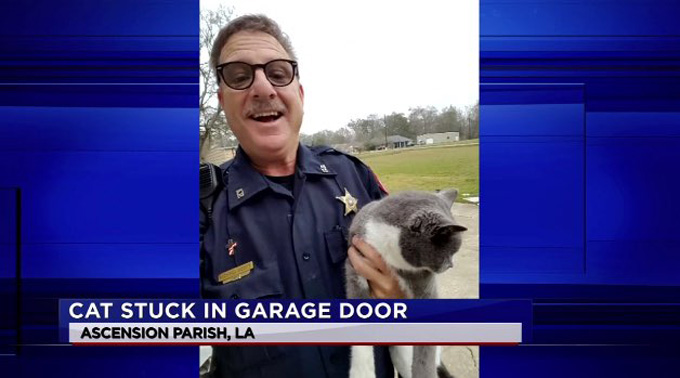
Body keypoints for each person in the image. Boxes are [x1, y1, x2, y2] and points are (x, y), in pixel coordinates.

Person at [200, 14, 404, 378]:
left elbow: (420, 288)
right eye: (239, 75)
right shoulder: (201, 210)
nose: (263, 88)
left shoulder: (355, 176)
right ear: (221, 100)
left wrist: (402, 302)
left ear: (300, 93)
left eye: (279, 73)